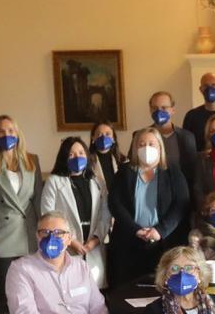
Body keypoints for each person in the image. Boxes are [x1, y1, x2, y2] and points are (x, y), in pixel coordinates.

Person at [0, 115, 43, 313]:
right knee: (6, 294)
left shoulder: (32, 160)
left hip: (29, 235)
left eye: (11, 131)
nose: (7, 135)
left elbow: (37, 198)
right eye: (1, 131)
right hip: (2, 238)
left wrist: (44, 231)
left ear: (18, 133)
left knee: (32, 293)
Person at [108, 127, 189, 285]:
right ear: (134, 147)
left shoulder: (172, 171)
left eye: (152, 144)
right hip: (129, 242)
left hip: (163, 242)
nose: (147, 148)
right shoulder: (124, 172)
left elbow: (181, 203)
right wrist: (135, 229)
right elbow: (114, 203)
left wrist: (160, 231)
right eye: (141, 144)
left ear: (160, 147)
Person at [37, 136, 112, 289]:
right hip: (66, 246)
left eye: (81, 153)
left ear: (87, 155)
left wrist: (96, 239)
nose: (77, 158)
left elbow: (105, 213)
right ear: (64, 158)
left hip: (94, 245)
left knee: (96, 292)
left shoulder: (97, 182)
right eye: (71, 154)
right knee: (71, 291)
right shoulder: (54, 181)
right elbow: (47, 214)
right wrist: (70, 241)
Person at [146, 91, 198, 177]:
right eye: (155, 108)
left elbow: (193, 170)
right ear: (150, 110)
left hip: (180, 188)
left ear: (173, 110)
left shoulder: (187, 137)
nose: (159, 111)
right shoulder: (140, 136)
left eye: (164, 107)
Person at [181, 71, 215, 145]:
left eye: (213, 85)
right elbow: (185, 144)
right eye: (206, 86)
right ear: (201, 90)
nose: (210, 89)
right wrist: (200, 155)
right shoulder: (191, 116)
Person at [85, 121, 124, 196]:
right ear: (93, 138)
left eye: (107, 134)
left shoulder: (123, 160)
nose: (103, 137)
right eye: (99, 134)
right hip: (98, 206)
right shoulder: (87, 162)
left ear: (113, 138)